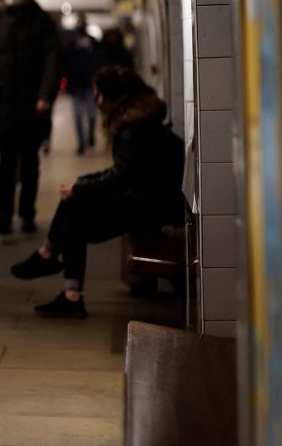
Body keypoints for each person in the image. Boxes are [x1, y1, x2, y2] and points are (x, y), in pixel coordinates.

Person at [10, 66, 185, 316]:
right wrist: (80, 184)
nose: (96, 99)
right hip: (151, 199)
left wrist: (80, 187)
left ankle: (58, 273)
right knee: (74, 201)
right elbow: (125, 173)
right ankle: (54, 267)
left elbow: (122, 177)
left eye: (98, 94)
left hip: (151, 207)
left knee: (74, 221)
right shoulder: (141, 122)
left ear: (109, 97)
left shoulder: (134, 130)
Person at [0, 0, 61, 235]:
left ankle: (27, 213)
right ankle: (2, 213)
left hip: (31, 106)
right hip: (2, 104)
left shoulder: (40, 21)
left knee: (28, 164)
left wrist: (45, 96)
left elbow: (52, 60)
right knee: (4, 164)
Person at [64, 16, 99, 154]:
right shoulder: (71, 45)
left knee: (91, 115)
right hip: (76, 86)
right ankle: (80, 143)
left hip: (90, 85)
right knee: (78, 116)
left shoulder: (93, 43)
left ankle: (90, 135)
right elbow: (66, 65)